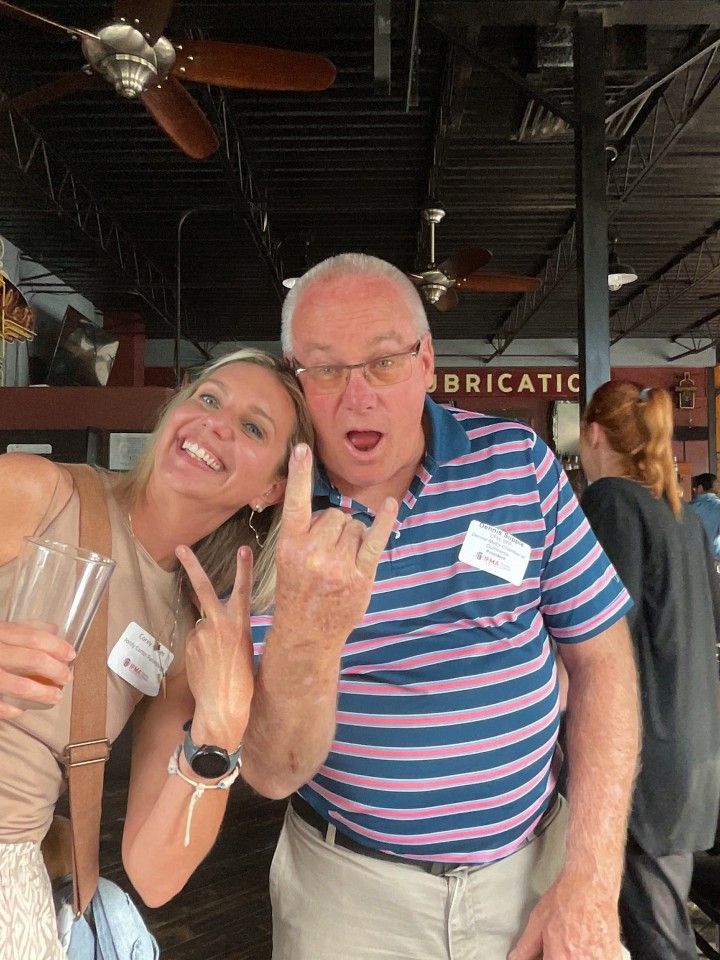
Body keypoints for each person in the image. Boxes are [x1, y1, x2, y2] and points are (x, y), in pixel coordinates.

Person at [240, 253, 641, 960]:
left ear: (427, 361)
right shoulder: (263, 515)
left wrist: (593, 878)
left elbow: (603, 661)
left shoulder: (519, 463)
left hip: (532, 873)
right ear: (294, 378)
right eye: (325, 369)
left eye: (384, 362)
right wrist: (309, 630)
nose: (356, 395)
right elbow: (271, 772)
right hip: (348, 896)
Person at [0, 347, 316, 960]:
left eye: (253, 427)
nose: (216, 423)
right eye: (207, 397)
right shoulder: (40, 494)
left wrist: (220, 731)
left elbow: (154, 874)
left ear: (271, 490)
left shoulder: (183, 634)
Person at [579, 380, 720, 960]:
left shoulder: (611, 500)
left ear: (591, 434)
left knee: (661, 942)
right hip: (690, 755)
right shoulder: (680, 515)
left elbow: (601, 634)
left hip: (643, 765)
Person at [689, 471, 720, 560]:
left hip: (694, 561)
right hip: (716, 561)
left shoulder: (687, 508)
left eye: (694, 488)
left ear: (700, 488)